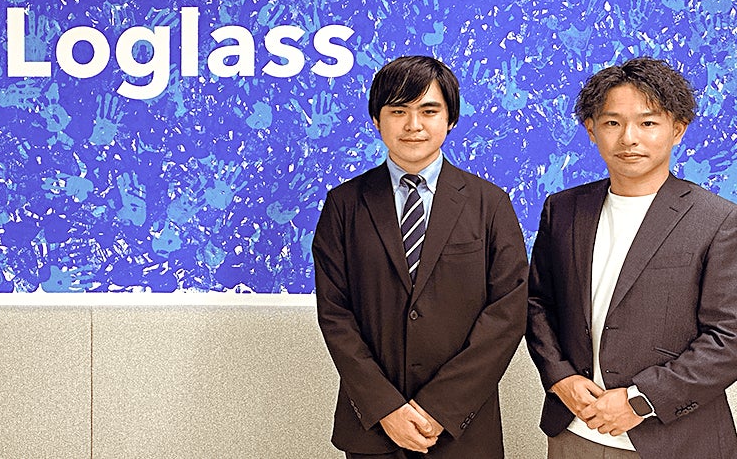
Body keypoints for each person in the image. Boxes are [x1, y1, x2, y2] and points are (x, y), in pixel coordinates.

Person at [312, 55, 528, 458]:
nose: (413, 125)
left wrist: (440, 407)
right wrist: (385, 408)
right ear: (376, 120)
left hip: (462, 430)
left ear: (450, 119)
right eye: (398, 111)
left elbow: (507, 313)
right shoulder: (344, 205)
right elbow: (335, 314)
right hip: (374, 430)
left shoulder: (490, 203)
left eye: (429, 111)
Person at [527, 57, 737, 457]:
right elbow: (538, 303)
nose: (629, 138)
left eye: (648, 123)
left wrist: (640, 400)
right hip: (574, 433)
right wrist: (559, 376)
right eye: (612, 123)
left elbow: (729, 339)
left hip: (675, 441)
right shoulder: (563, 209)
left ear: (677, 130)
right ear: (591, 130)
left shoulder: (720, 221)